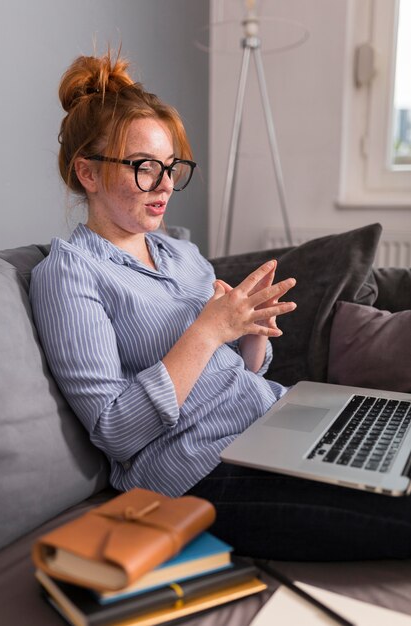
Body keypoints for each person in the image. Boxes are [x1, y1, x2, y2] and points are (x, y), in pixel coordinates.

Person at [30, 50, 411, 561]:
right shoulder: (68, 273)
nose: (166, 185)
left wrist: (249, 329)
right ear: (88, 173)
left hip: (270, 418)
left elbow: (242, 371)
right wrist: (208, 331)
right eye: (145, 167)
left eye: (171, 167)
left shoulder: (181, 253)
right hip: (200, 470)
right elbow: (116, 432)